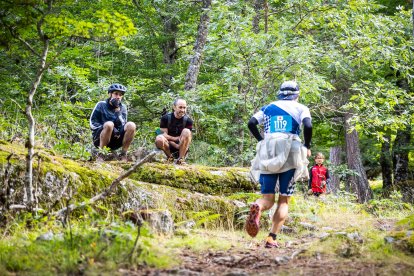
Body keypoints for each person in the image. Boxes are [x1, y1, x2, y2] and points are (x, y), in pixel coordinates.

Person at [246, 80, 312, 248]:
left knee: (267, 198)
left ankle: (258, 207)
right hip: (291, 151)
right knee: (284, 200)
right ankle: (271, 238)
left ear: (280, 93)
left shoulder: (268, 107)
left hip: (268, 150)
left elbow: (251, 123)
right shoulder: (301, 108)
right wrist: (307, 146)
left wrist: (262, 140)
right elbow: (308, 125)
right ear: (297, 94)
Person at [90, 83, 136, 162]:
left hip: (116, 139)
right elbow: (92, 123)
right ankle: (101, 154)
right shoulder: (101, 105)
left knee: (131, 125)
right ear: (110, 94)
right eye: (116, 94)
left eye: (120, 95)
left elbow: (123, 124)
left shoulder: (123, 107)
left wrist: (117, 111)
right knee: (109, 124)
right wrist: (109, 128)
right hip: (100, 138)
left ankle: (123, 154)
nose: (118, 97)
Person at [155, 98, 193, 165]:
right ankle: (170, 158)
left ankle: (181, 159)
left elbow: (188, 139)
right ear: (174, 107)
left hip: (182, 147)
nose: (182, 110)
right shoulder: (165, 118)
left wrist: (179, 144)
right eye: (180, 107)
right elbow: (163, 135)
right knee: (159, 139)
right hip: (167, 146)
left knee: (186, 131)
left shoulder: (188, 121)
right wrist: (176, 143)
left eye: (184, 108)